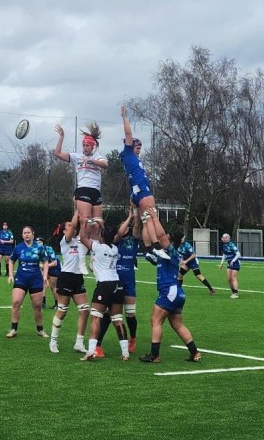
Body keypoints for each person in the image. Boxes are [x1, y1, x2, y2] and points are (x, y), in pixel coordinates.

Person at [137, 205, 202, 363]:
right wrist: (146, 222)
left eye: (167, 237)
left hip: (169, 291)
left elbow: (160, 235)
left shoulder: (172, 252)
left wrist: (154, 217)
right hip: (177, 293)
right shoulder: (163, 255)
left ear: (171, 241)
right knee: (177, 325)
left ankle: (155, 355)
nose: (163, 236)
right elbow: (147, 244)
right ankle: (195, 353)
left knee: (156, 320)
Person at [53, 120, 108, 268]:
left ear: (93, 146)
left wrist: (91, 160)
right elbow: (57, 153)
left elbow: (105, 165)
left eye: (87, 145)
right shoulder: (77, 157)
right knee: (85, 221)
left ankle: (94, 260)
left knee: (97, 226)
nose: (84, 147)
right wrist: (61, 136)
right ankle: (82, 259)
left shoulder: (97, 157)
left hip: (96, 191)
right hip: (83, 189)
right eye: (83, 145)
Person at [119, 105, 170, 261]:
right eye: (137, 146)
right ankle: (156, 247)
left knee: (146, 219)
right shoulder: (128, 153)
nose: (139, 149)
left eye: (140, 147)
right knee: (152, 217)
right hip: (142, 190)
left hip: (136, 192)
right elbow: (128, 133)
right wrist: (124, 116)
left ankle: (148, 249)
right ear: (131, 146)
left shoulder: (133, 159)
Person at [79, 223, 131, 361]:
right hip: (118, 285)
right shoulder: (115, 248)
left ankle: (90, 351)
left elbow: (83, 238)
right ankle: (125, 353)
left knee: (96, 317)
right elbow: (118, 234)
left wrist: (83, 221)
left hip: (104, 285)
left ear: (102, 237)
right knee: (118, 319)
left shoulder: (99, 247)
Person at [94, 208, 142, 357]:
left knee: (130, 314)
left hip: (128, 283)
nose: (124, 226)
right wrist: (128, 217)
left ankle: (132, 339)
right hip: (113, 282)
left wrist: (135, 215)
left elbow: (136, 228)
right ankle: (98, 345)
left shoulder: (133, 239)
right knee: (108, 315)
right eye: (122, 225)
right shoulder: (115, 242)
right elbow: (118, 233)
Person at [48, 215, 90, 354]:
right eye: (69, 227)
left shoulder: (80, 240)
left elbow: (85, 228)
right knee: (62, 311)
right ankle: (53, 341)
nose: (72, 227)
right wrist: (77, 210)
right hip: (66, 277)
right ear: (65, 231)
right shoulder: (65, 242)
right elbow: (73, 225)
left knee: (84, 311)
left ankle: (79, 343)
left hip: (78, 278)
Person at [7, 226, 48, 338]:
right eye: (24, 233)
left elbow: (45, 262)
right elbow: (11, 261)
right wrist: (11, 275)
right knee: (16, 302)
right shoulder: (18, 248)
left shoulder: (39, 247)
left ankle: (40, 329)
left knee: (37, 306)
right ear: (22, 235)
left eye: (28, 232)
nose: (26, 234)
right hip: (21, 278)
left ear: (32, 234)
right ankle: (13, 329)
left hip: (36, 279)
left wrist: (44, 276)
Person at [217, 233, 242, 299]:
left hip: (235, 263)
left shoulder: (231, 244)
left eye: (223, 237)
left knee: (233, 277)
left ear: (227, 238)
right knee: (229, 279)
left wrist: (233, 261)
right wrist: (221, 264)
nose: (222, 238)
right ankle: (233, 292)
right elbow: (224, 255)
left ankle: (236, 293)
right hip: (229, 264)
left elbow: (238, 254)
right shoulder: (224, 245)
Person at [39, 236, 60, 310]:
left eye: (40, 242)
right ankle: (43, 303)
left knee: (52, 286)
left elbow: (55, 263)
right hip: (46, 266)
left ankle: (58, 304)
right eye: (37, 242)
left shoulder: (49, 249)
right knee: (43, 284)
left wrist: (44, 266)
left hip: (54, 268)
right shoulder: (36, 250)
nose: (38, 244)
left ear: (43, 243)